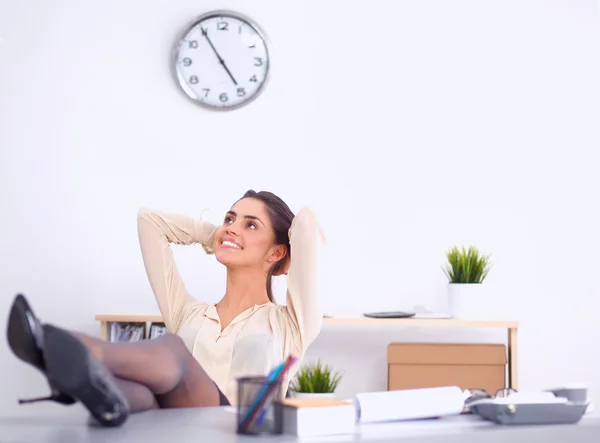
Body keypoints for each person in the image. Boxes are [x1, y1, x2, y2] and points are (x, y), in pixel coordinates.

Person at [6, 190, 324, 427]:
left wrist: (279, 258)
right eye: (230, 219)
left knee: (173, 347)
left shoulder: (291, 324)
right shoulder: (189, 313)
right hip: (175, 429)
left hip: (237, 429)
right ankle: (78, 370)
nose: (231, 227)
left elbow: (306, 224)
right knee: (139, 395)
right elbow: (150, 221)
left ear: (277, 251)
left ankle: (67, 349)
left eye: (251, 225)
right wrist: (215, 235)